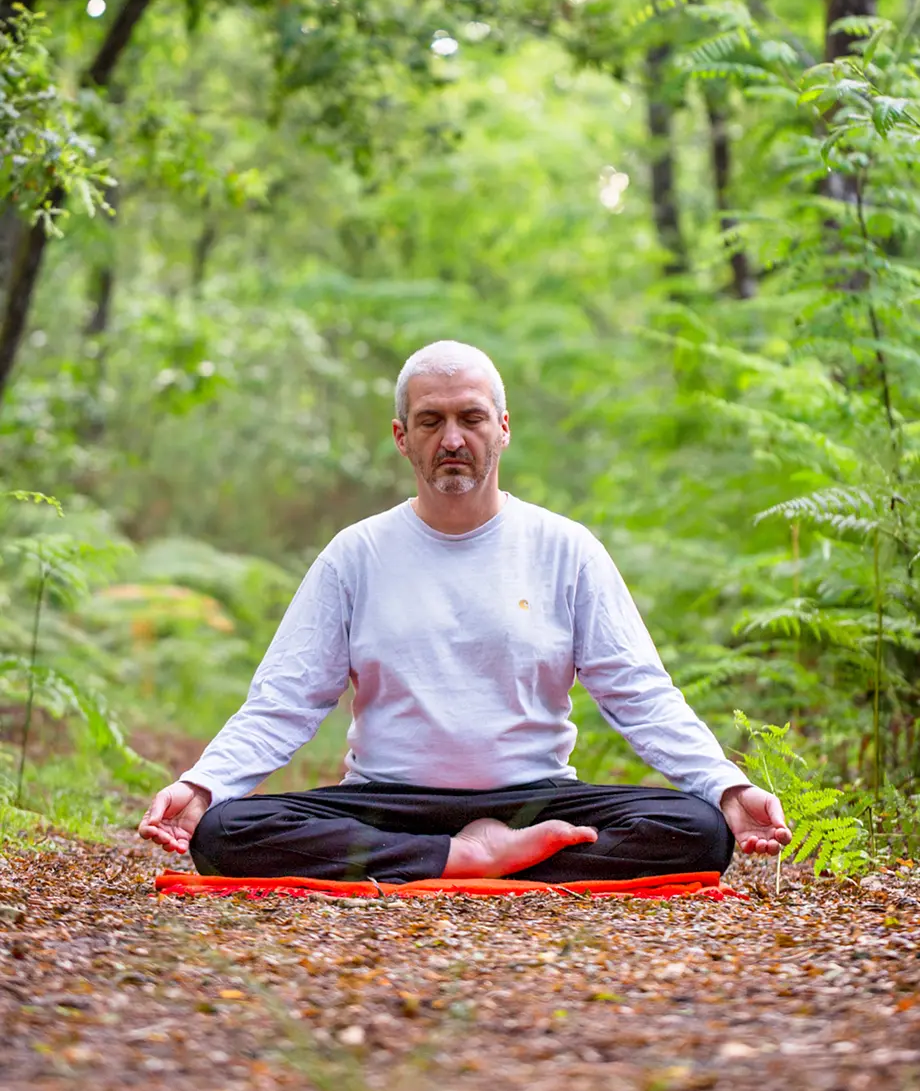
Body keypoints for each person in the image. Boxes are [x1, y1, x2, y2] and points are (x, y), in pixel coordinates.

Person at [139, 340, 791, 883]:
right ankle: (469, 859)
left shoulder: (566, 549)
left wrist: (727, 789)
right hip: (385, 804)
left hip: (534, 801)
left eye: (471, 418)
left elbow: (639, 693)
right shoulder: (355, 555)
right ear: (402, 436)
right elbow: (285, 698)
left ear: (502, 427)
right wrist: (203, 786)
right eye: (431, 421)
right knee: (225, 831)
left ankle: (445, 860)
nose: (452, 438)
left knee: (698, 830)